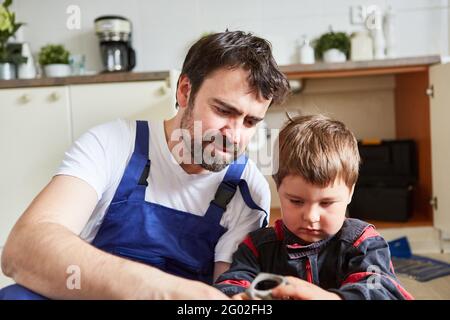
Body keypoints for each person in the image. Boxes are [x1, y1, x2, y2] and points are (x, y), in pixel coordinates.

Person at [0, 31, 290, 300]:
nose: (235, 135)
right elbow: (23, 248)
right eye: (223, 110)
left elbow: (226, 291)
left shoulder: (247, 189)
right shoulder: (112, 144)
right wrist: (163, 291)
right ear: (185, 91)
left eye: (250, 121)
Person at [215, 114, 414, 300]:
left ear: (350, 193)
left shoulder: (364, 244)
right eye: (296, 201)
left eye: (326, 203)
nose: (311, 217)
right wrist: (238, 296)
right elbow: (232, 282)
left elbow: (382, 288)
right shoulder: (258, 248)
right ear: (279, 188)